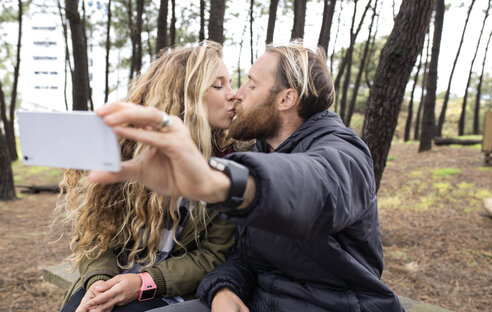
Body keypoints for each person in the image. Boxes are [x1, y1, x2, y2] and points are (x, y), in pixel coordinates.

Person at [88, 41, 404, 311]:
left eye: (251, 84)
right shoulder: (261, 152)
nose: (238, 94)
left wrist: (220, 182)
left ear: (285, 99)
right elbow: (244, 256)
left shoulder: (343, 151)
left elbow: (313, 187)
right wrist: (223, 287)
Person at [59, 41, 240, 312]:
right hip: (114, 276)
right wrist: (99, 281)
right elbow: (96, 237)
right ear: (185, 96)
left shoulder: (229, 162)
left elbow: (212, 256)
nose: (233, 94)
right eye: (218, 85)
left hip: (172, 289)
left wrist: (144, 282)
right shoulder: (126, 148)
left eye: (230, 84)